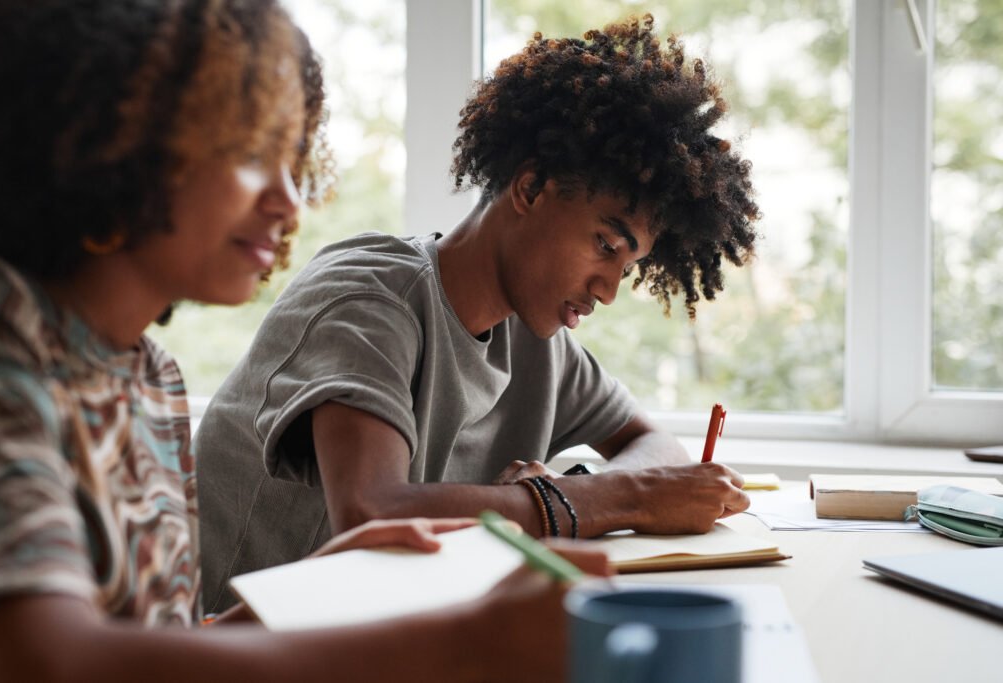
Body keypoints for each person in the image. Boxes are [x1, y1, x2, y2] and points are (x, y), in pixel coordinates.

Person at [0, 2, 606, 681]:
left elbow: (167, 638)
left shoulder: (147, 374)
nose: (289, 202)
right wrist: (463, 643)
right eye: (251, 153)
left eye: (292, 159)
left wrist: (315, 584)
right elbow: (45, 657)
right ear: (114, 137)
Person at [195, 13, 761, 613]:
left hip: (387, 636)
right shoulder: (369, 301)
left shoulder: (536, 341)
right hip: (245, 653)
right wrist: (599, 502)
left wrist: (576, 494)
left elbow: (652, 445)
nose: (608, 290)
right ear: (532, 189)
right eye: (605, 245)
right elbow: (370, 511)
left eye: (627, 267)